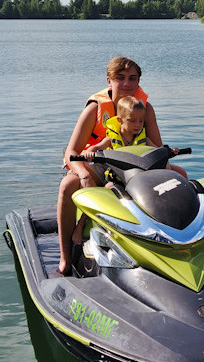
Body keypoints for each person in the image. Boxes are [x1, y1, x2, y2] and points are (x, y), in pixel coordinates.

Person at [55, 56, 182, 276]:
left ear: (138, 82)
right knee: (68, 185)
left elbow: (157, 149)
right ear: (109, 81)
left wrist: (168, 168)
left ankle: (176, 242)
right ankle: (65, 257)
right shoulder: (95, 109)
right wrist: (83, 173)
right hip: (98, 170)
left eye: (132, 79)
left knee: (180, 176)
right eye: (120, 78)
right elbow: (71, 152)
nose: (126, 84)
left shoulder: (145, 109)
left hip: (134, 170)